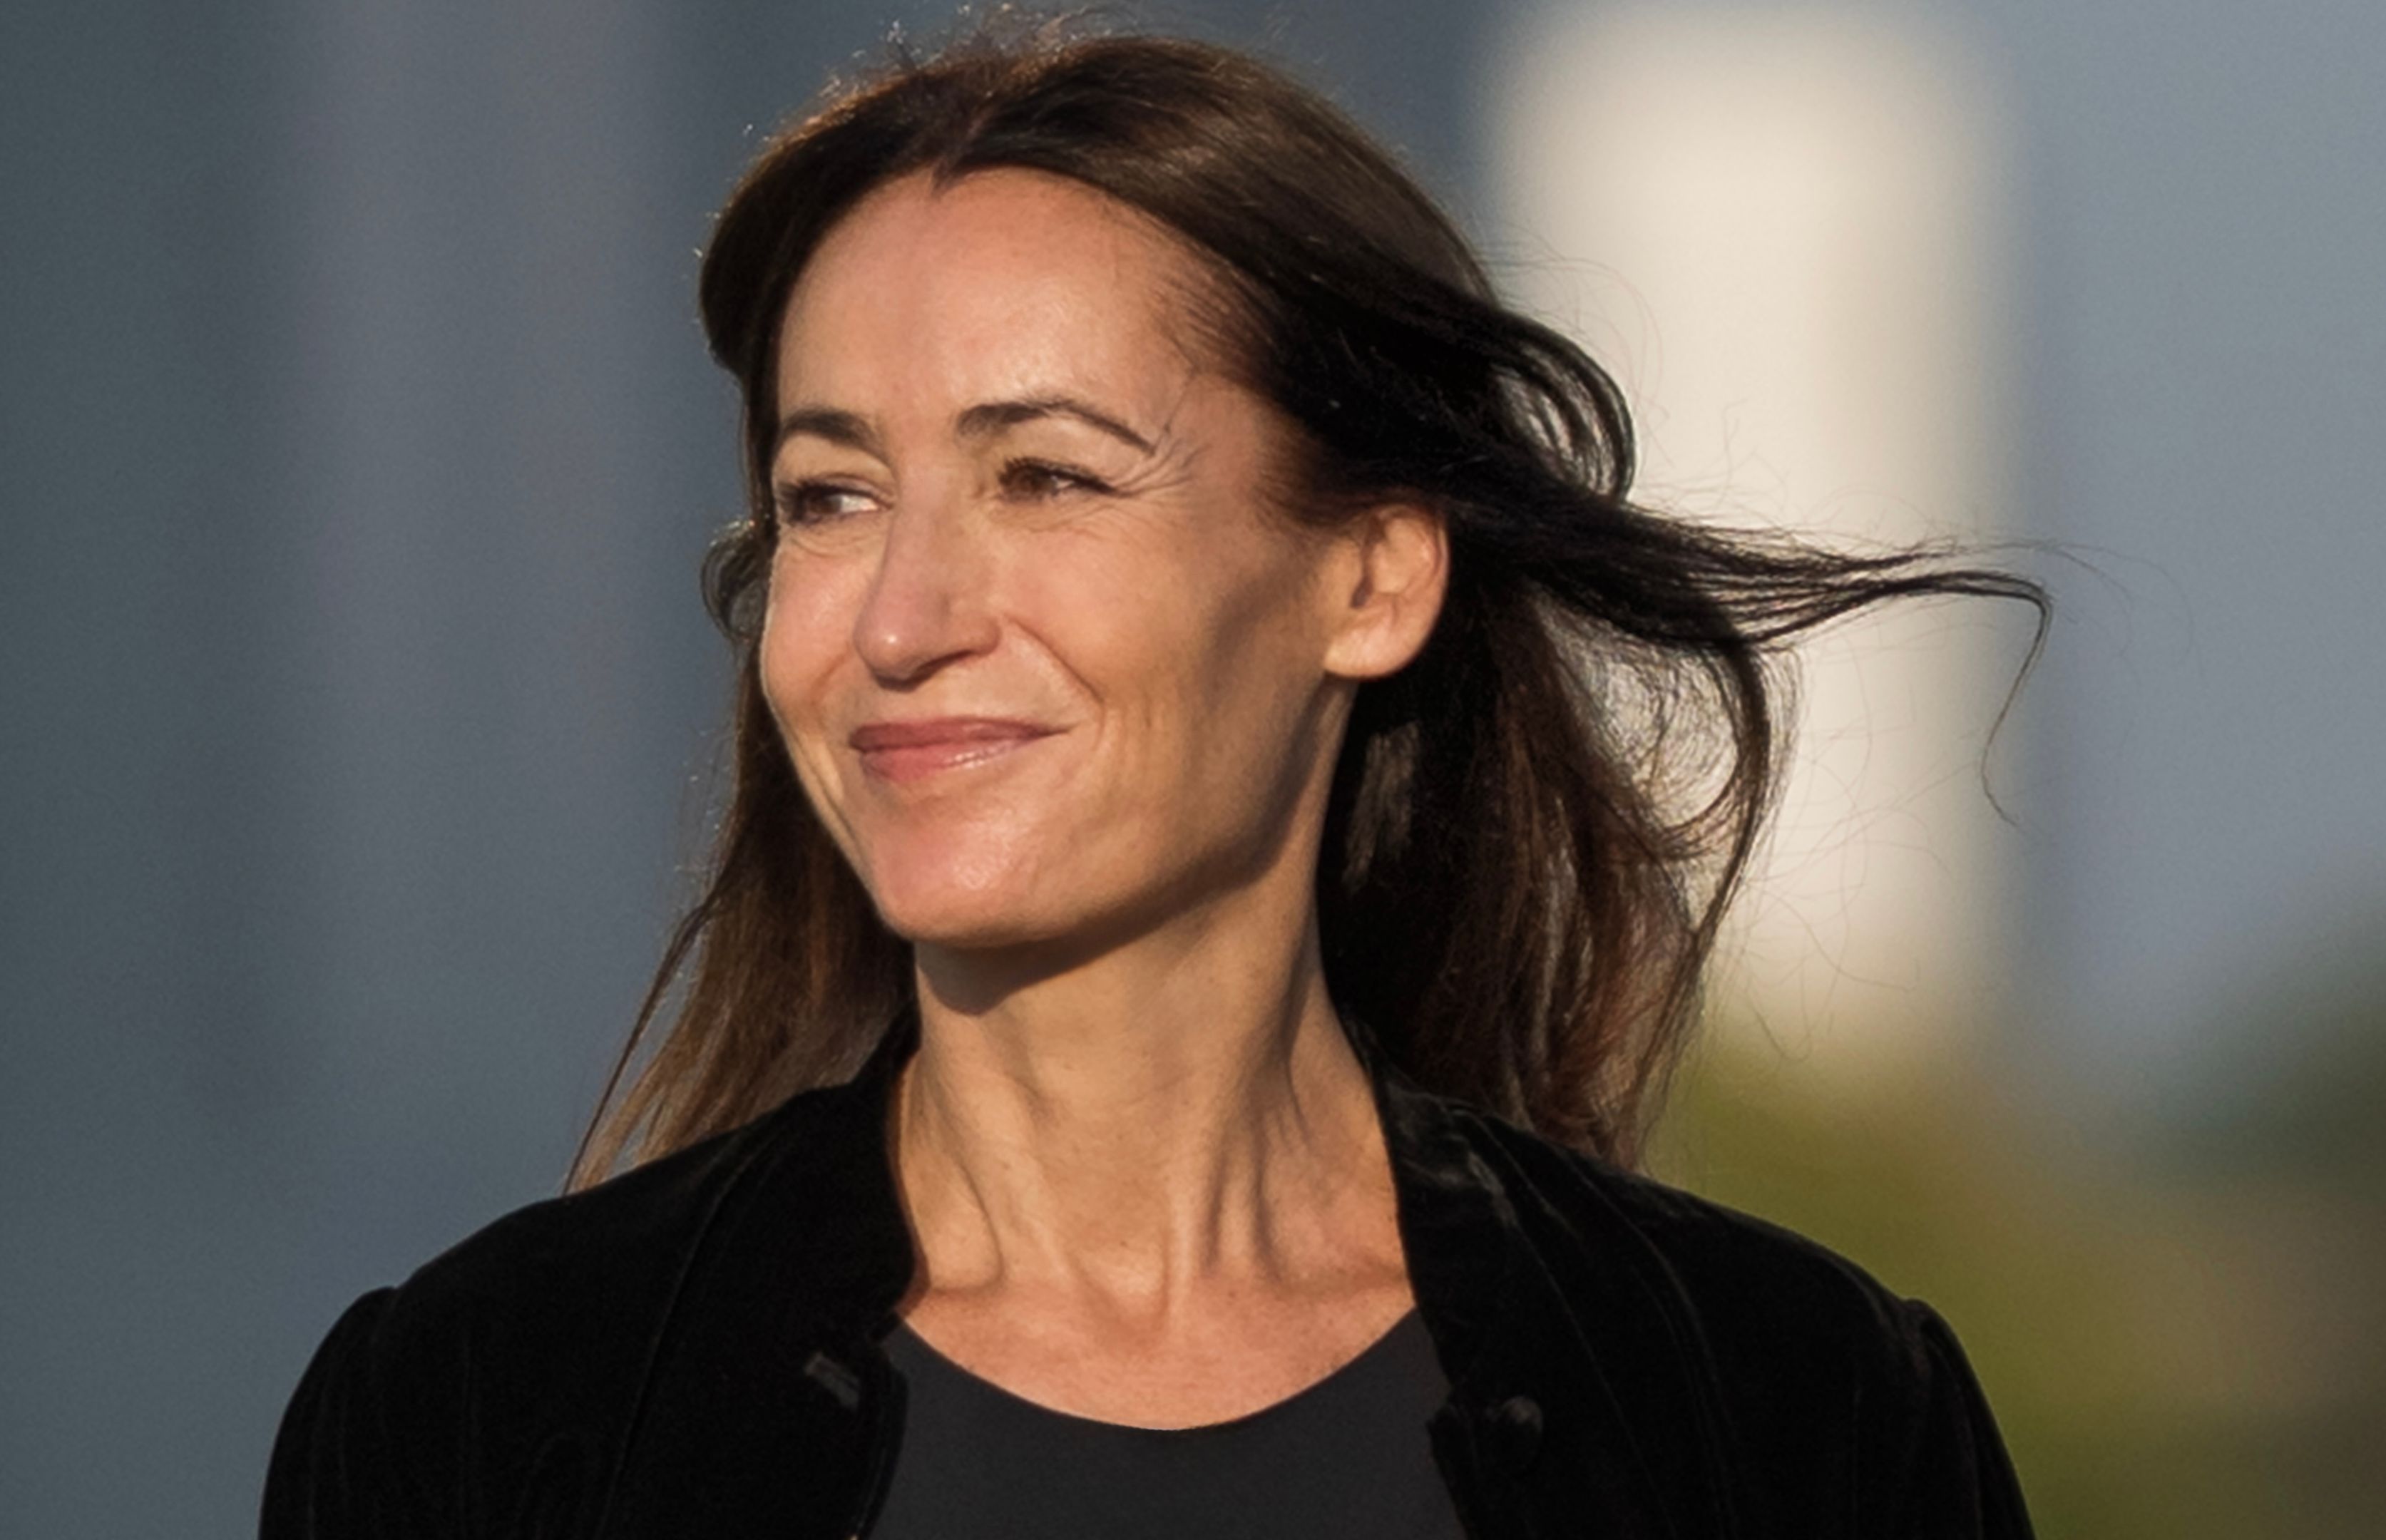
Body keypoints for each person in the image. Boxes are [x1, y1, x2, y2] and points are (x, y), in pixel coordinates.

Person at [262, 18, 2046, 1539]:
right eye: (831, 497)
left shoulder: (1783, 1413)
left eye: (1044, 477)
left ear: (1371, 577)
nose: (900, 621)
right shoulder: (496, 1410)